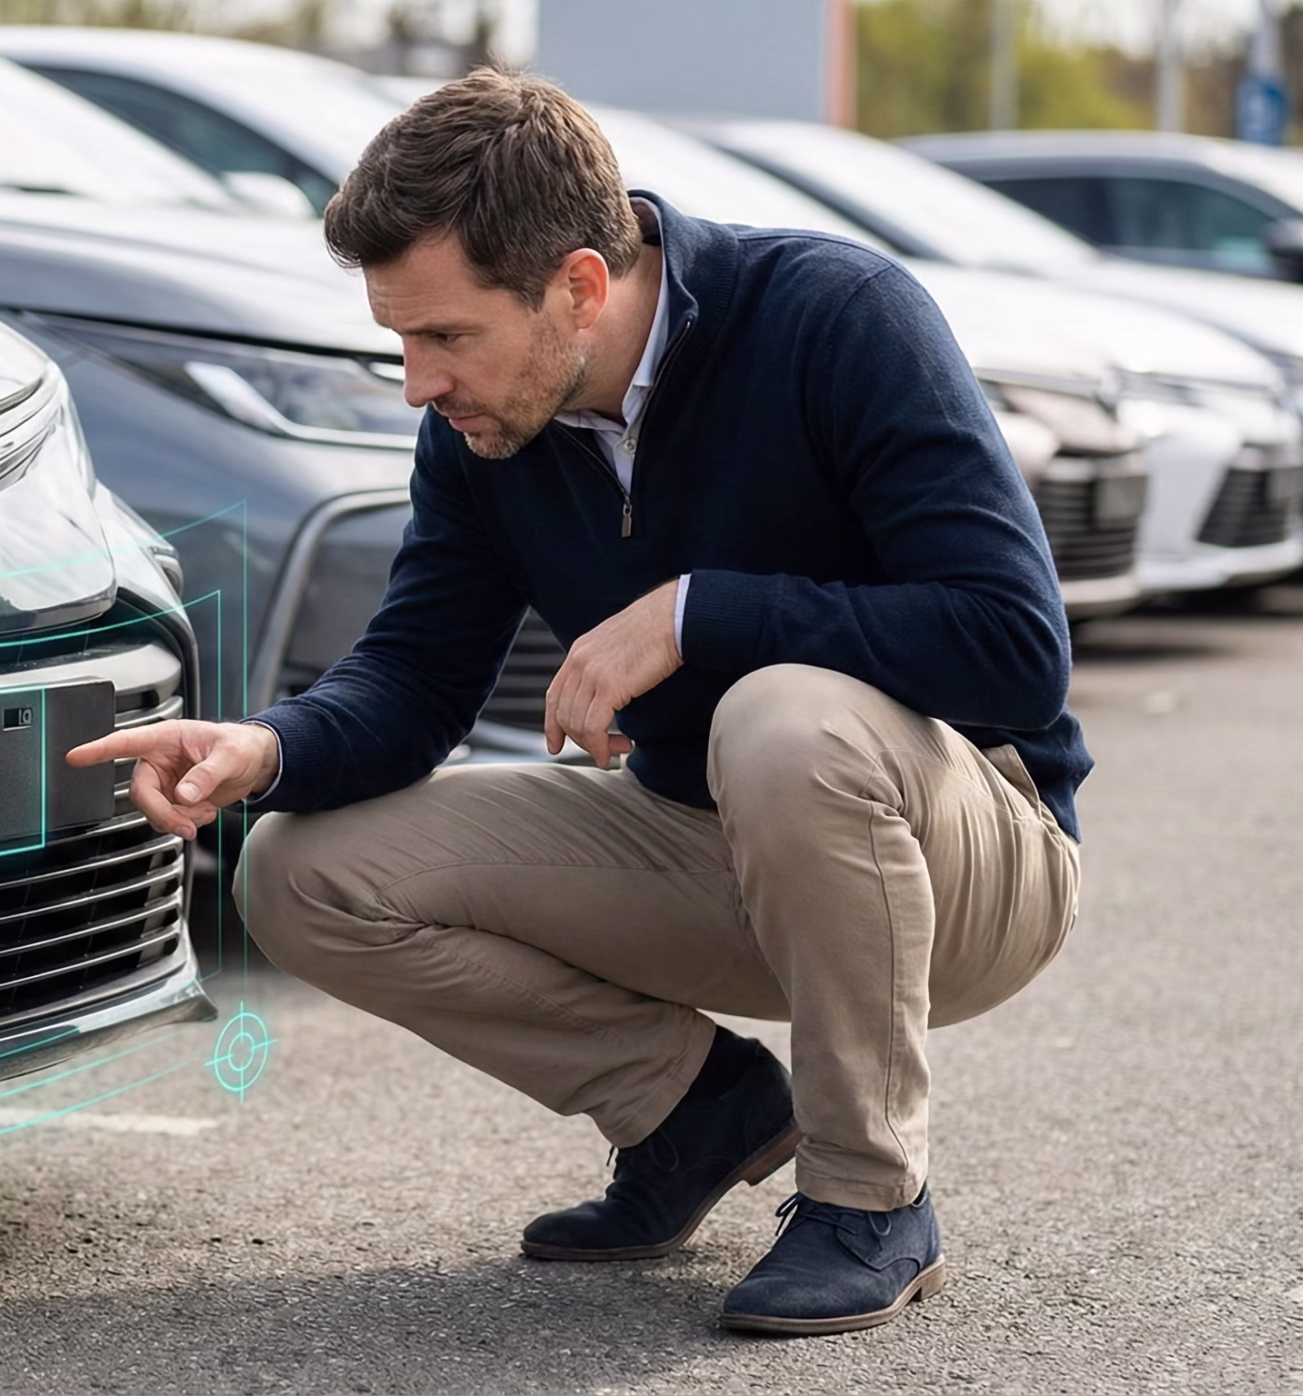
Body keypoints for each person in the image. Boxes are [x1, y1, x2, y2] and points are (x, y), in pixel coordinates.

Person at [67, 69, 1085, 1337]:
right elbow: (417, 678)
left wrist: (698, 609)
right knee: (298, 871)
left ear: (579, 287)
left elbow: (1011, 648)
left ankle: (868, 1197)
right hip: (703, 841)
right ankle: (695, 1109)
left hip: (967, 856)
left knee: (781, 716)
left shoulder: (836, 317)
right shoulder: (485, 428)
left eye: (444, 337)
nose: (415, 384)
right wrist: (264, 743)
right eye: (401, 339)